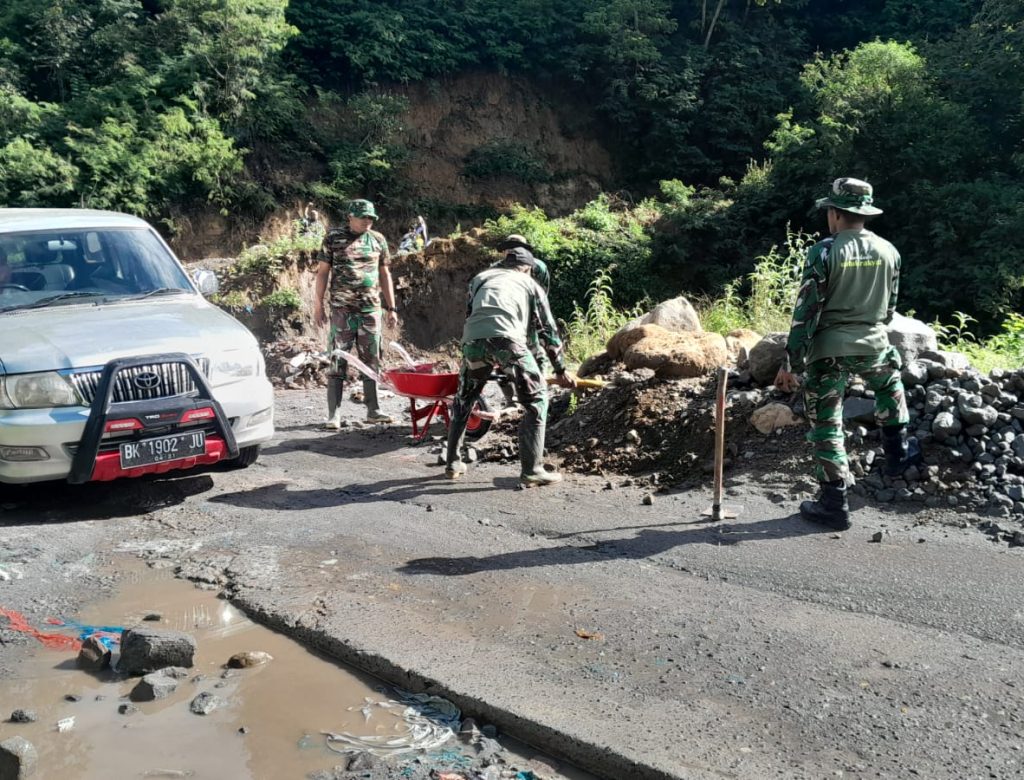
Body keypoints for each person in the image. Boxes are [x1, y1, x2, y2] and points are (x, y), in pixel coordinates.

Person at [774, 177, 921, 530]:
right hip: (874, 344)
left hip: (830, 352)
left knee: (827, 421)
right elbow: (889, 310)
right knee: (890, 387)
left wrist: (790, 363)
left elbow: (806, 313)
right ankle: (899, 456)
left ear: (835, 214)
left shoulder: (824, 251)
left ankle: (833, 501)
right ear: (864, 213)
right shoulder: (890, 251)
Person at [446, 246, 576, 486]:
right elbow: (547, 330)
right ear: (527, 268)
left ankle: (452, 462)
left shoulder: (481, 278)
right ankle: (532, 470)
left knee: (464, 398)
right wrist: (560, 369)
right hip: (508, 341)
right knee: (537, 402)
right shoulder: (531, 285)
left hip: (473, 341)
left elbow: (471, 313)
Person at [314, 199, 399, 428]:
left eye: (370, 218)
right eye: (363, 217)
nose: (367, 221)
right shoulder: (333, 238)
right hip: (342, 310)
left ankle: (373, 410)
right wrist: (318, 306)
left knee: (372, 360)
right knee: (337, 359)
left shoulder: (378, 240)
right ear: (350, 216)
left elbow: (385, 274)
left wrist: (391, 308)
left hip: (370, 310)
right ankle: (334, 414)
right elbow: (322, 273)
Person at [494, 234, 551, 408]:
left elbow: (543, 293)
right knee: (501, 361)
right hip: (505, 318)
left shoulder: (538, 267)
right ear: (505, 251)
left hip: (528, 318)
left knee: (537, 356)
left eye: (517, 247)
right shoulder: (495, 269)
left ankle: (538, 396)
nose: (513, 250)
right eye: (510, 247)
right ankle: (511, 401)